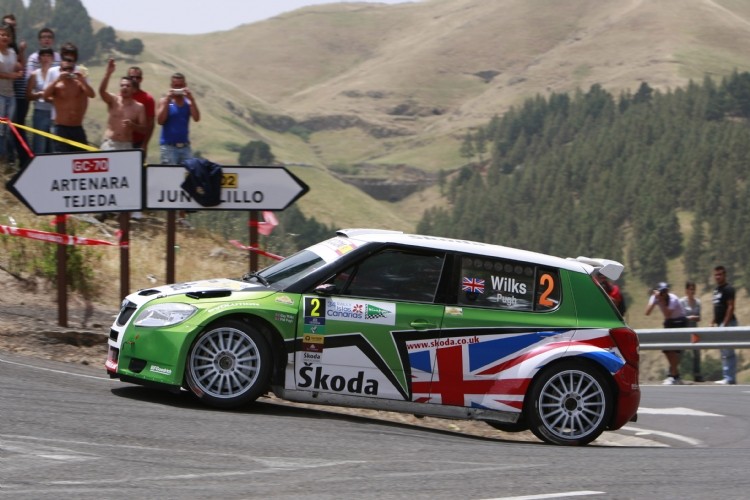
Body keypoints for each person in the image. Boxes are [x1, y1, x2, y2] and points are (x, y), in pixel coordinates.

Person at [42, 56, 95, 152]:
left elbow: (92, 94)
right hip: (61, 128)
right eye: (65, 69)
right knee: (62, 160)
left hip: (77, 127)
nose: (68, 71)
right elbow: (45, 95)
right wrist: (57, 80)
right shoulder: (57, 85)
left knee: (81, 159)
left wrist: (82, 80)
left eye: (70, 69)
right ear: (60, 70)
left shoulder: (79, 84)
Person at [645, 282, 688, 385]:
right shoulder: (656, 297)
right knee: (667, 349)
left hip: (679, 321)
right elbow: (647, 312)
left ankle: (673, 375)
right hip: (669, 322)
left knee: (674, 350)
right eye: (662, 291)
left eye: (665, 291)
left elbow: (667, 314)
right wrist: (654, 299)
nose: (664, 293)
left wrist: (660, 300)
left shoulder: (673, 299)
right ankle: (675, 375)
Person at [98, 58, 146, 150]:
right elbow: (101, 91)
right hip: (110, 143)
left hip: (126, 145)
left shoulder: (139, 107)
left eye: (128, 86)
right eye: (122, 85)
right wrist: (108, 73)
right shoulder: (113, 100)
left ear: (133, 89)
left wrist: (133, 125)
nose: (124, 88)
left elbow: (144, 129)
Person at [157, 72, 200, 165]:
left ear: (185, 86)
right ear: (171, 86)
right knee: (169, 175)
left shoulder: (188, 103)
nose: (178, 89)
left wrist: (192, 100)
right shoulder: (165, 101)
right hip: (169, 147)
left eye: (180, 86)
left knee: (188, 175)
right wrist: (167, 101)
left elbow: (196, 118)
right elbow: (160, 121)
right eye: (175, 86)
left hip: (185, 147)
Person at [711, 266, 737, 384]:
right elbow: (718, 307)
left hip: (728, 323)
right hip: (720, 323)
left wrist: (725, 324)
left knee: (728, 351)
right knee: (723, 351)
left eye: (720, 274)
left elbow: (730, 307)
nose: (718, 277)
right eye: (716, 275)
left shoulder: (728, 289)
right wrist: (713, 321)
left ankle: (729, 377)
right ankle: (727, 376)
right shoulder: (716, 290)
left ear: (725, 275)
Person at [25, 47, 54, 154]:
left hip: (54, 113)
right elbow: (28, 95)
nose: (46, 58)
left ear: (52, 58)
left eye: (48, 55)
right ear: (39, 58)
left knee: (53, 147)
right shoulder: (35, 74)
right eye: (43, 55)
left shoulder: (56, 73)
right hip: (40, 112)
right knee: (39, 147)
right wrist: (39, 94)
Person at [0, 22, 22, 162]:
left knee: (9, 129)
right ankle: (2, 157)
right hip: (0, 94)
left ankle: (8, 158)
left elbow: (17, 66)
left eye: (7, 34)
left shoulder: (13, 53)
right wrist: (11, 76)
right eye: (2, 34)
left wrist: (18, 71)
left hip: (11, 94)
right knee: (0, 129)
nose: (4, 37)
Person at [127, 66, 155, 157]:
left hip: (139, 143)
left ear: (141, 79)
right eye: (132, 77)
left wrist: (145, 144)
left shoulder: (147, 98)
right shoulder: (121, 97)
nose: (134, 79)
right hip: (122, 142)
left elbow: (150, 123)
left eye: (137, 77)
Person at [679, 281, 702, 382]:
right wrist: (690, 317)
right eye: (690, 289)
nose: (692, 291)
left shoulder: (698, 302)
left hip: (694, 329)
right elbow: (680, 317)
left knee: (696, 352)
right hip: (684, 329)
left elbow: (699, 317)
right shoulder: (682, 302)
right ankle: (675, 373)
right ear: (686, 290)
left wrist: (695, 318)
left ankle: (697, 374)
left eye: (693, 289)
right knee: (680, 352)